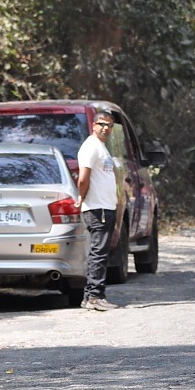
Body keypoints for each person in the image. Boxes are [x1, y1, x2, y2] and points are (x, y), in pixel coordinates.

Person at [75, 110, 120, 311]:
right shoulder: (91, 147)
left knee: (101, 252)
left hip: (106, 206)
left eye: (109, 125)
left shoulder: (101, 147)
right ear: (93, 125)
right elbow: (83, 178)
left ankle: (90, 297)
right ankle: (94, 296)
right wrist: (82, 197)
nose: (105, 128)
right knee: (98, 253)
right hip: (97, 208)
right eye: (102, 124)